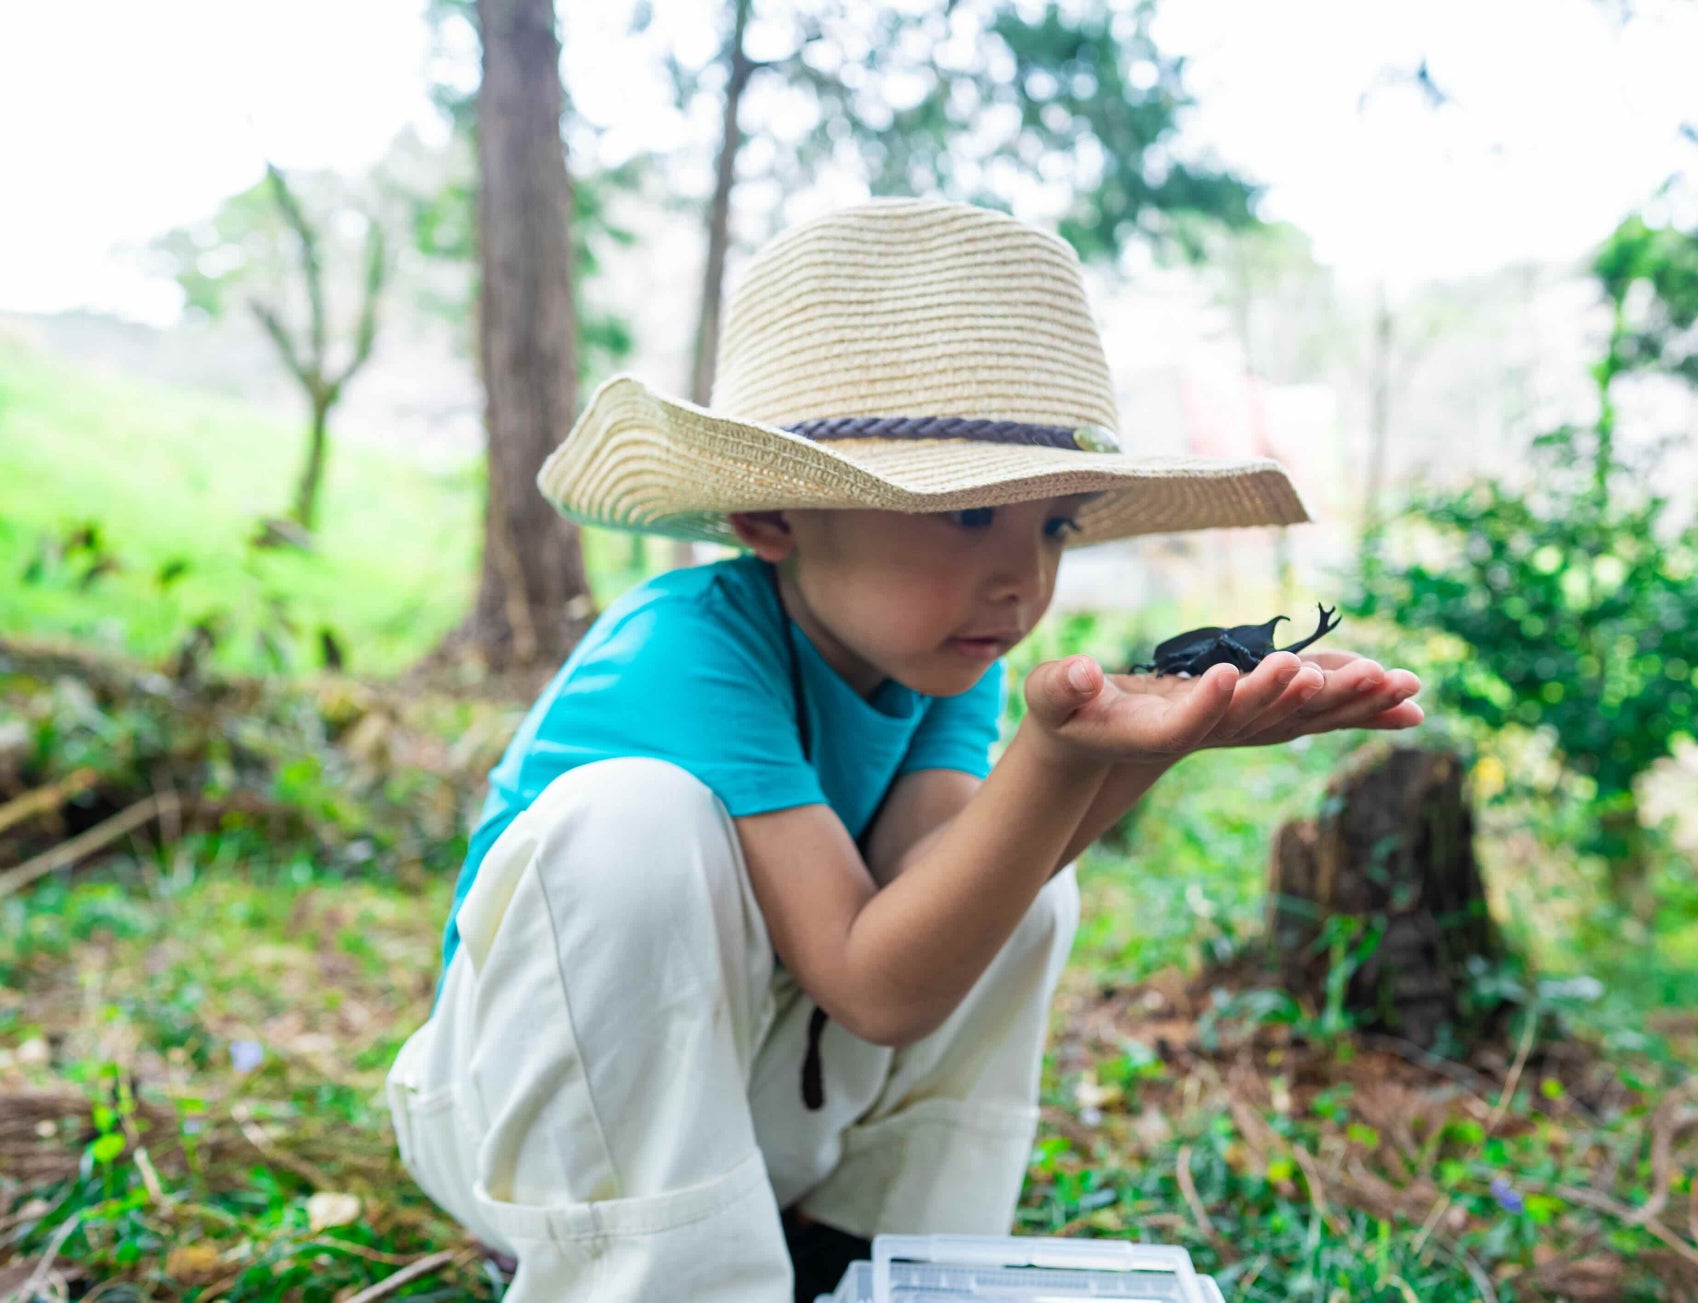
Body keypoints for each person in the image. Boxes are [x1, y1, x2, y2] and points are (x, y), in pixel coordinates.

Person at [385, 197, 1423, 1302]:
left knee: (1016, 883)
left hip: (753, 1093)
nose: (1022, 579)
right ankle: (647, 1267)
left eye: (1053, 525)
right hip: (531, 1116)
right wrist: (1064, 760)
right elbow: (870, 983)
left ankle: (871, 1260)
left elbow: (926, 926)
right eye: (968, 515)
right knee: (635, 821)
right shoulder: (685, 653)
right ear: (773, 517)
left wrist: (1143, 750)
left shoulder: (942, 657)